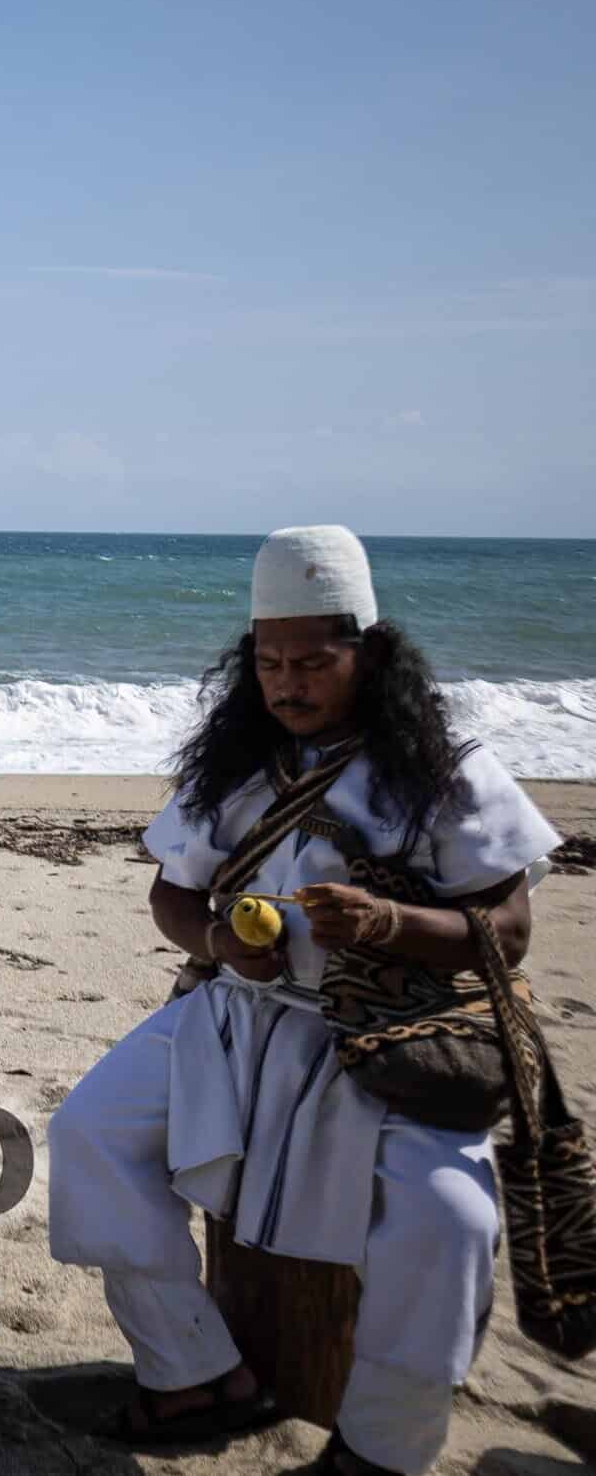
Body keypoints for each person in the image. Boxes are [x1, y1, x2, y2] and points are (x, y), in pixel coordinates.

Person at [47, 525, 563, 1476]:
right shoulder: (239, 763)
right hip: (239, 1012)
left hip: (393, 1030)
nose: (288, 685)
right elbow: (170, 894)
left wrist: (386, 922)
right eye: (270, 663)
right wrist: (218, 943)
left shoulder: (441, 768)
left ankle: (380, 1449)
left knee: (451, 1218)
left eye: (313, 662)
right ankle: (193, 1372)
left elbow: (510, 926)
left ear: (369, 653)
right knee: (90, 1132)